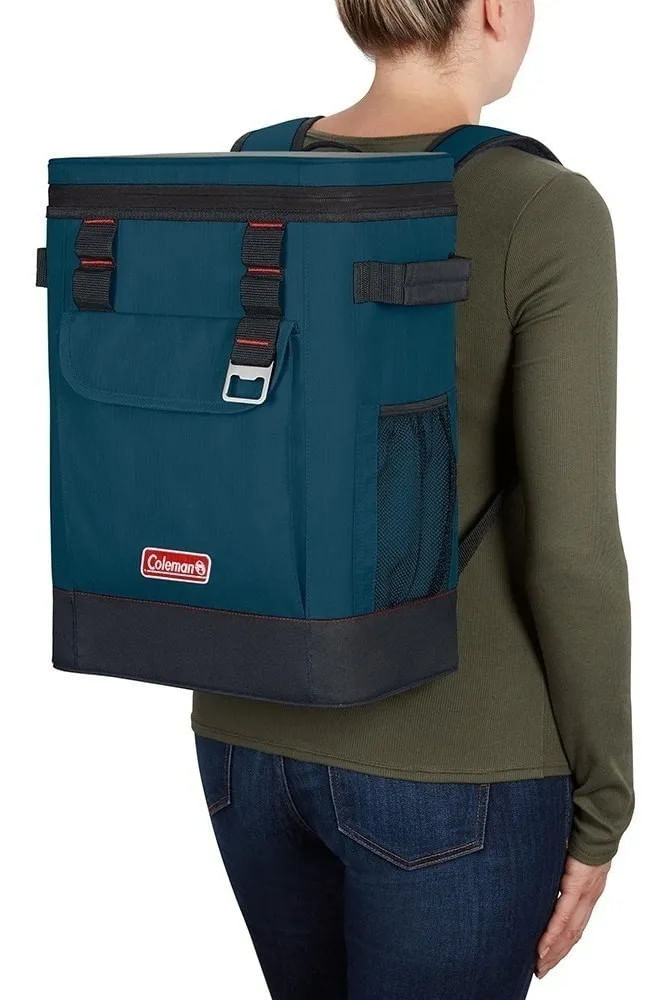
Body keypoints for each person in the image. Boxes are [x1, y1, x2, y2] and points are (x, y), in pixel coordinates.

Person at [193, 2, 633, 997]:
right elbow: (571, 546)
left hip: (242, 737)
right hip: (459, 767)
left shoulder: (251, 170)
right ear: (493, 9)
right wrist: (605, 803)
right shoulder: (542, 206)